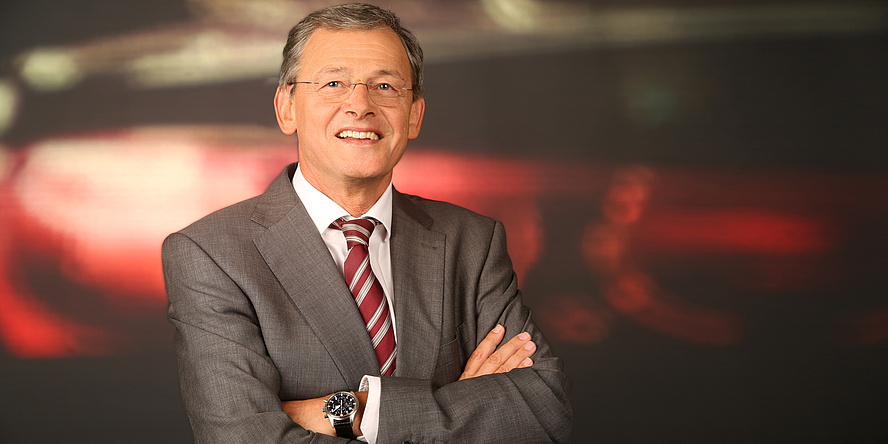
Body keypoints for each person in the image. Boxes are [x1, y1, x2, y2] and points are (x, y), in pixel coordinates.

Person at [162, 3, 572, 443]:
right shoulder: (212, 254)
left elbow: (542, 411)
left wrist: (357, 411)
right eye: (333, 83)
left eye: (385, 86)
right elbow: (244, 437)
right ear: (287, 108)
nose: (359, 105)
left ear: (414, 115)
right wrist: (458, 403)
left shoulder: (471, 240)